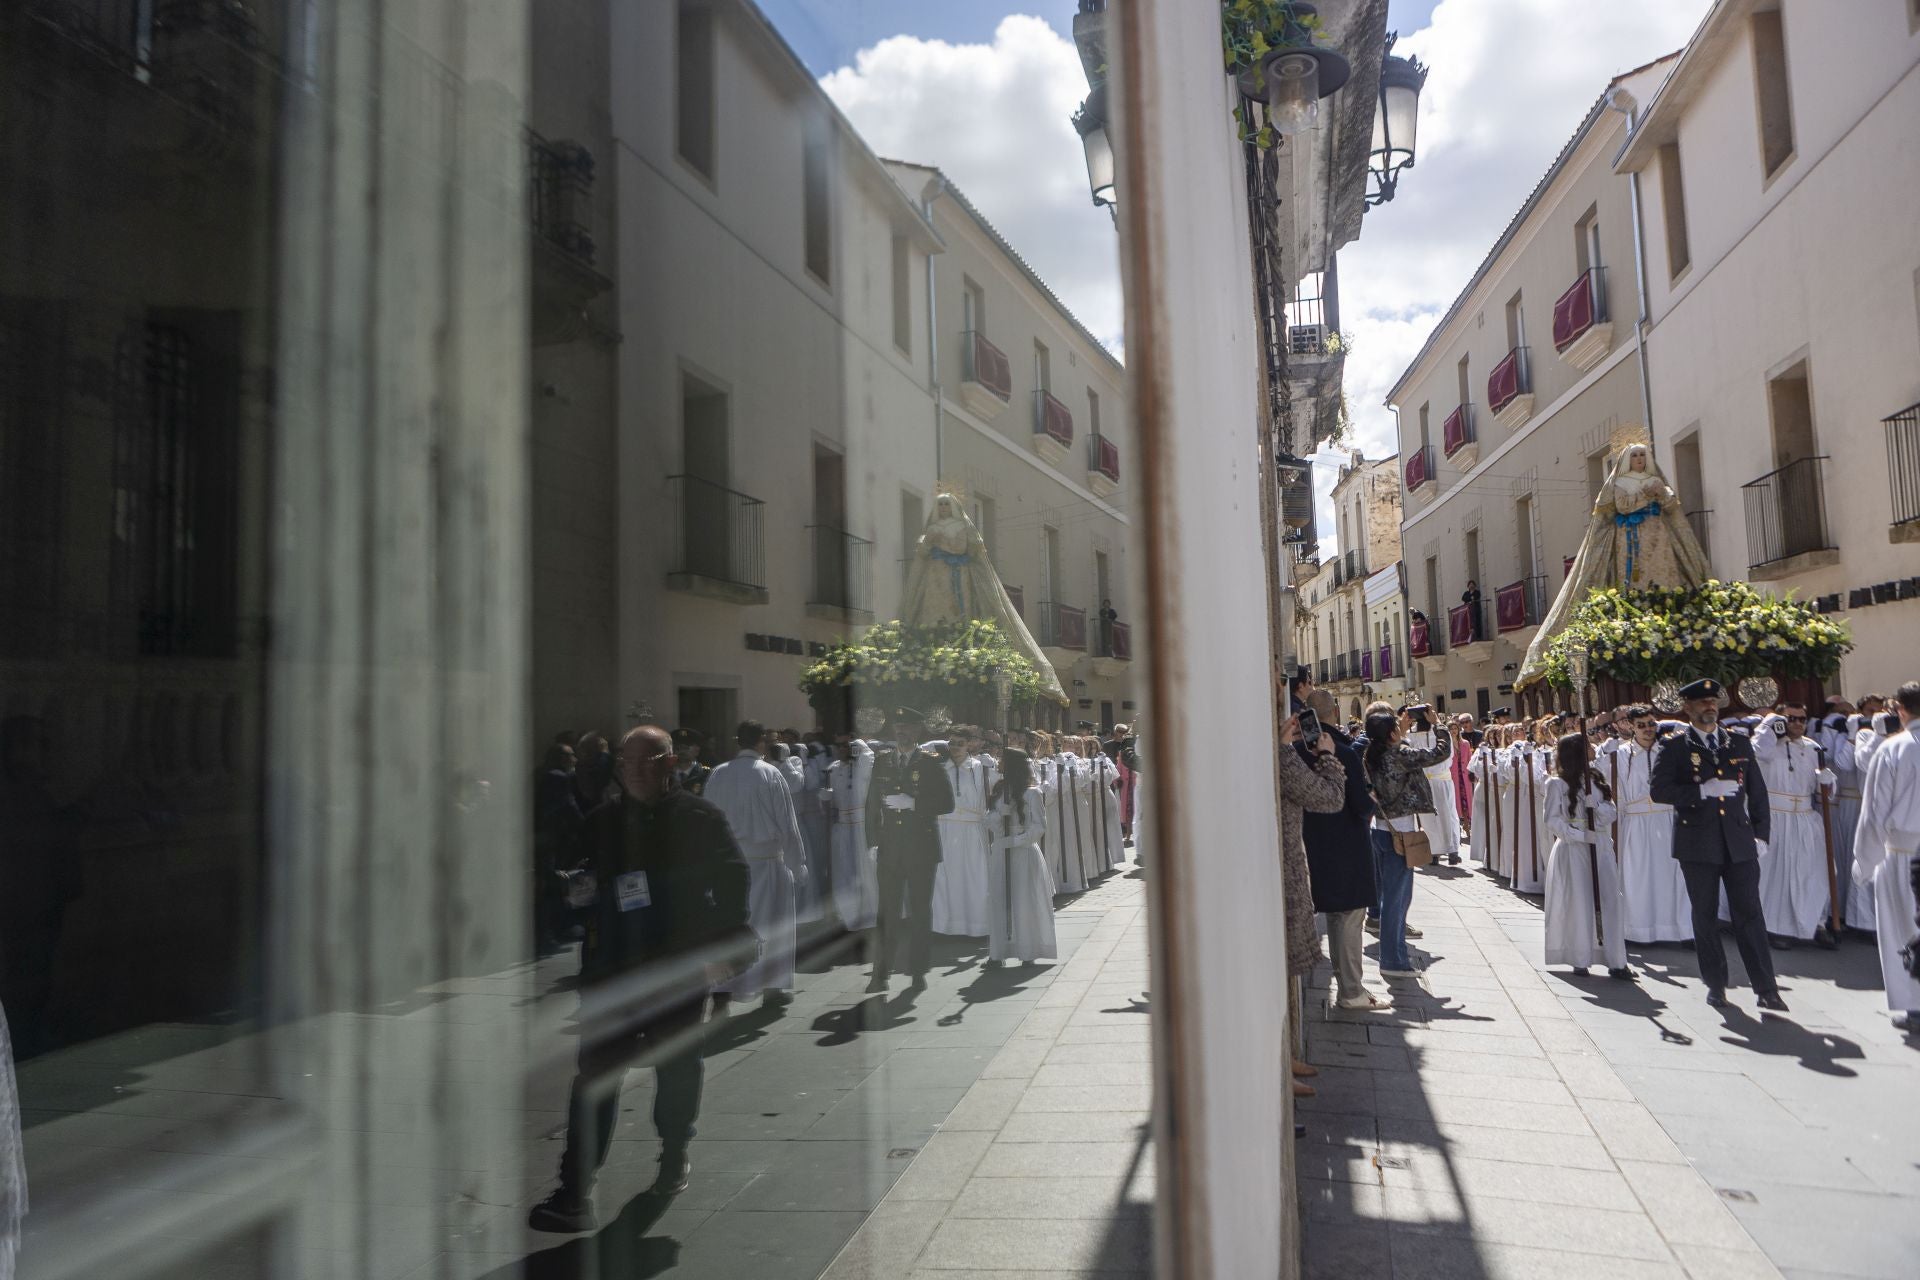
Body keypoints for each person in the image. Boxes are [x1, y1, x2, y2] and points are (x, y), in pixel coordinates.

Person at [528, 726, 755, 1232]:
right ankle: (574, 1189)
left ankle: (674, 1154)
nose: (634, 771)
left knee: (676, 1069)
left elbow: (733, 879)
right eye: (626, 763)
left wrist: (727, 951)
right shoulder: (602, 821)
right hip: (611, 969)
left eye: (646, 761)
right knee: (595, 1076)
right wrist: (571, 891)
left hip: (676, 970)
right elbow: (573, 875)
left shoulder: (700, 819)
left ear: (670, 763)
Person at [1650, 679, 1784, 1012]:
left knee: (1750, 914)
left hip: (1738, 840)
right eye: (1702, 702)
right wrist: (1700, 792)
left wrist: (1761, 834)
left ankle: (1766, 988)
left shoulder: (1737, 742)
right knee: (1705, 916)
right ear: (1688, 708)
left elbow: (1757, 791)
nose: (1710, 706)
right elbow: (1659, 790)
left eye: (1713, 701)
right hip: (1697, 842)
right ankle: (1716, 984)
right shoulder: (1674, 746)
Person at [704, 721, 807, 1009]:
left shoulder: (718, 774)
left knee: (733, 925)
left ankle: (726, 988)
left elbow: (706, 822)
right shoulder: (771, 774)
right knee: (772, 927)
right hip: (767, 864)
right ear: (762, 742)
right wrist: (798, 863)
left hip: (728, 865)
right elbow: (787, 825)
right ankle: (771, 985)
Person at [1299, 709, 1387, 1011]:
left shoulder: (1296, 753)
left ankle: (1347, 986)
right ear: (1332, 715)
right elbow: (1361, 806)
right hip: (1348, 849)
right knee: (1349, 920)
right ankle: (1352, 991)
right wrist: (1372, 800)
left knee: (1337, 918)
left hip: (1315, 847)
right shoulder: (1344, 753)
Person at [866, 709, 956, 993]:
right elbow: (871, 805)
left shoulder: (930, 764)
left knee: (919, 911)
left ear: (918, 731)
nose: (901, 732)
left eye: (907, 727)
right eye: (898, 726)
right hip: (890, 847)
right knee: (887, 911)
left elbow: (946, 803)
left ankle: (918, 971)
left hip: (921, 847)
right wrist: (872, 841)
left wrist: (915, 804)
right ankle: (880, 973)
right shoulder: (882, 762)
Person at [1851, 681, 1920, 1030]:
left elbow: (1874, 812)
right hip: (1905, 846)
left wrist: (1864, 860)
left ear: (1900, 711)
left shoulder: (1893, 749)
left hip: (1904, 853)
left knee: (1904, 927)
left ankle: (1915, 1005)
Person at [1364, 709, 1451, 978]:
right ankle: (1393, 961)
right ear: (1391, 734)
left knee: (1393, 897)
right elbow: (1439, 753)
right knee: (1396, 900)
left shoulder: (1372, 754)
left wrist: (1397, 730)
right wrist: (1439, 726)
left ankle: (1394, 955)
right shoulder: (1399, 755)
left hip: (1380, 830)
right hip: (1400, 834)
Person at [1543, 731, 1630, 979]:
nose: (1593, 748)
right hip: (1574, 849)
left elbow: (1612, 811)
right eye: (1588, 746)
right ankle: (1579, 957)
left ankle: (1616, 960)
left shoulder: (1596, 778)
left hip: (1600, 845)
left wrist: (1599, 808)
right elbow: (1552, 820)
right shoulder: (1557, 784)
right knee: (1579, 902)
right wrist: (1580, 835)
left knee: (1610, 900)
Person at [1752, 704, 1840, 950]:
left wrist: (1828, 783)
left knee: (1814, 872)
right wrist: (1770, 725)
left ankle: (1816, 923)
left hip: (1805, 818)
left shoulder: (1813, 748)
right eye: (1790, 718)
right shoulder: (1768, 746)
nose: (1797, 723)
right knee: (1777, 874)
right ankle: (1775, 927)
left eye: (1802, 719)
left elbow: (1826, 793)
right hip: (1776, 818)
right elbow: (1757, 751)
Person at [1609, 706, 1691, 943]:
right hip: (1636, 822)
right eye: (1642, 725)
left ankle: (1682, 930)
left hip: (1667, 819)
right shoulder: (1621, 754)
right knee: (1639, 876)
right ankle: (1639, 931)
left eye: (1652, 724)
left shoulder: (1668, 750)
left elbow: (1687, 733)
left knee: (1674, 874)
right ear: (1631, 727)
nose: (1648, 730)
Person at [985, 748, 1058, 965]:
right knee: (999, 898)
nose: (998, 763)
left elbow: (1038, 828)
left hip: (1023, 852)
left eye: (1003, 760)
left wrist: (1015, 840)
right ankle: (998, 953)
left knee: (1024, 901)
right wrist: (1000, 815)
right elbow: (988, 820)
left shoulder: (1032, 793)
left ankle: (1028, 951)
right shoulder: (999, 789)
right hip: (1000, 851)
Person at [931, 727, 993, 936]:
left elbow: (989, 796)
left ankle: (976, 926)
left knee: (974, 876)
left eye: (960, 743)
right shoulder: (940, 768)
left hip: (971, 830)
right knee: (944, 877)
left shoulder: (980, 768)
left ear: (969, 745)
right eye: (952, 743)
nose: (955, 748)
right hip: (945, 828)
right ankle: (944, 926)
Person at [828, 737, 878, 931]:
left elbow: (868, 756)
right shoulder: (835, 769)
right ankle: (850, 915)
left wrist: (857, 743)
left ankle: (872, 913)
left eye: (845, 747)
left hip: (861, 825)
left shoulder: (862, 766)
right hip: (843, 825)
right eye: (838, 746)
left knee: (866, 870)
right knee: (845, 872)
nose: (840, 750)